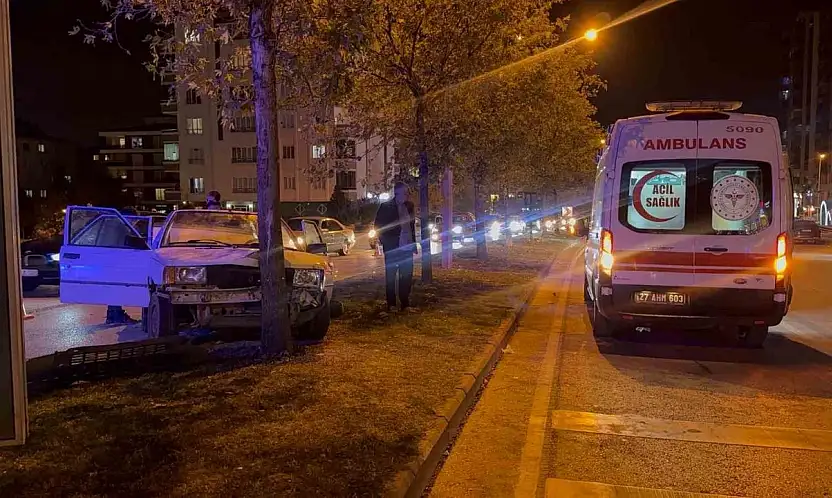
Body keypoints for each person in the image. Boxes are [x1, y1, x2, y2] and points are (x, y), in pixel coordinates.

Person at [374, 182, 417, 313]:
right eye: (405, 193)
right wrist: (385, 243)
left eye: (407, 193)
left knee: (406, 276)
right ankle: (391, 304)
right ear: (397, 193)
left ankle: (405, 303)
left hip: (407, 247)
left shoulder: (409, 206)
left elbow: (411, 227)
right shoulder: (386, 207)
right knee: (391, 277)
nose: (407, 195)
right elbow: (378, 226)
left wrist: (413, 244)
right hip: (393, 248)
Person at [106, 207, 140, 325]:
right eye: (134, 219)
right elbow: (125, 245)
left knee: (114, 289)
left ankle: (112, 315)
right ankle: (116, 316)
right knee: (117, 290)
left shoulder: (113, 226)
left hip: (111, 262)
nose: (135, 222)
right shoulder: (122, 228)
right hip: (117, 263)